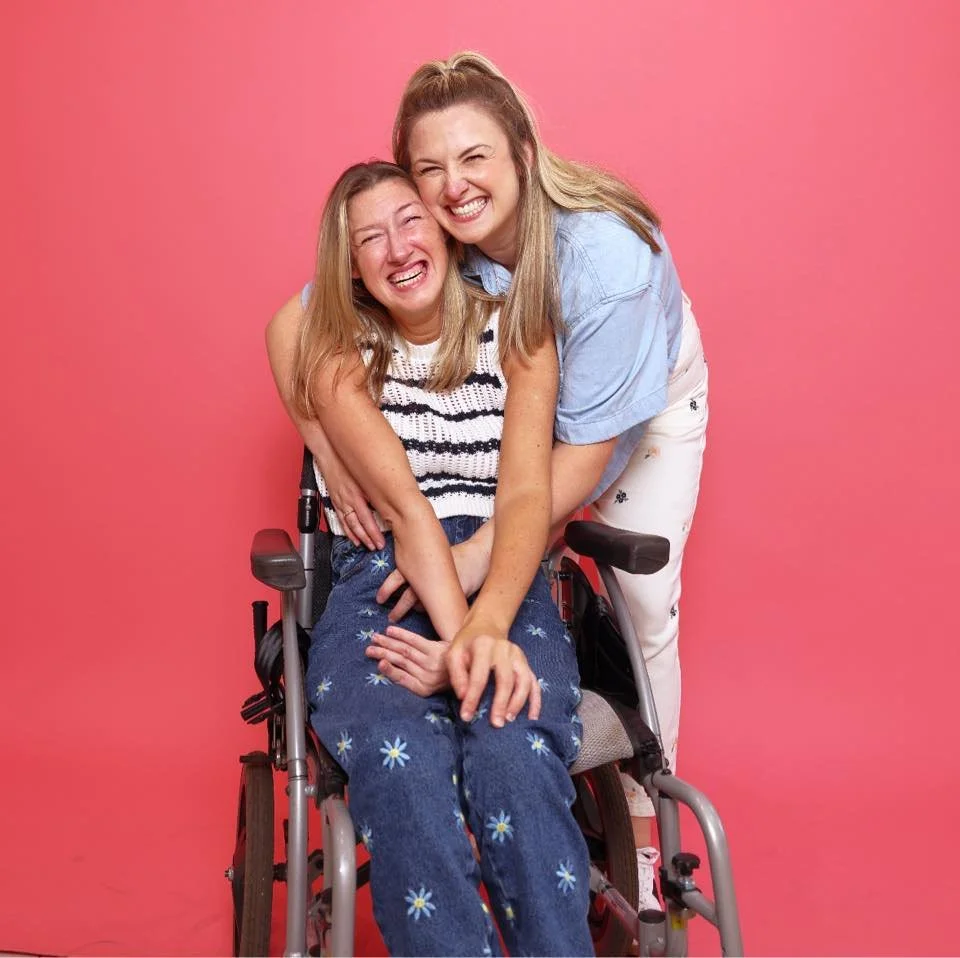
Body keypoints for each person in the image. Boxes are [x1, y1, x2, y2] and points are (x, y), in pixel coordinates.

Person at [367, 51, 708, 911]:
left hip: (639, 395)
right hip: (508, 396)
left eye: (474, 158)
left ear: (522, 152)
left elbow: (579, 464)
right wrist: (326, 446)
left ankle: (636, 805)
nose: (452, 189)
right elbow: (303, 317)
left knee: (642, 592)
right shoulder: (432, 227)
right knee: (503, 536)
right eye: (429, 169)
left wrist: (480, 564)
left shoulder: (607, 266)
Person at [277, 160, 594, 957]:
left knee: (514, 751)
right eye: (369, 238)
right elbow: (410, 512)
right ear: (349, 265)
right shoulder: (338, 352)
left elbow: (527, 499)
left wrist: (472, 647)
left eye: (410, 220)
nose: (397, 248)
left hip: (508, 570)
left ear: (448, 231)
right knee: (404, 759)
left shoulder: (518, 329)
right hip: (380, 574)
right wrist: (463, 650)